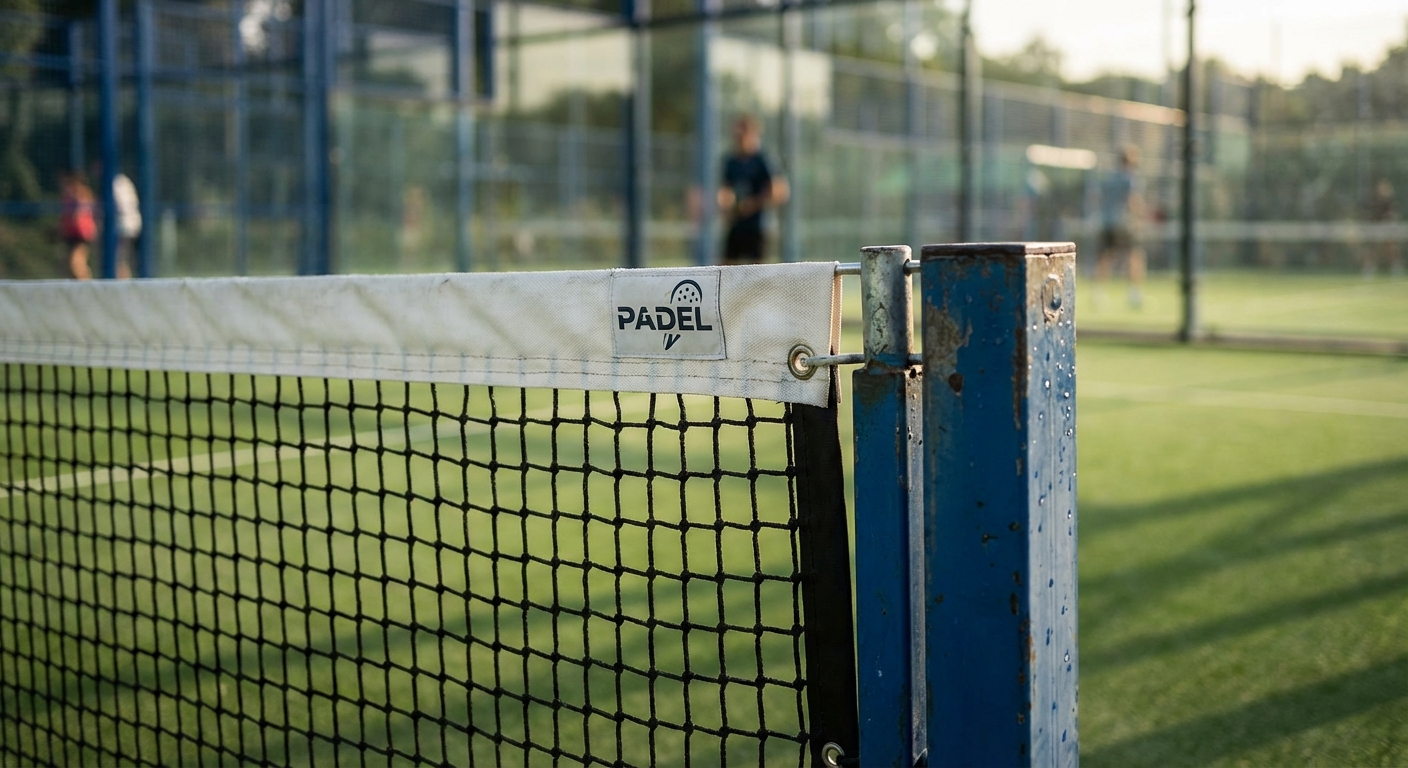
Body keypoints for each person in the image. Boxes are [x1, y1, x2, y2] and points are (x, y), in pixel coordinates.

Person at [718, 115, 789, 265]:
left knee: (757, 274)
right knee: (726, 271)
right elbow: (726, 189)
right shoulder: (731, 161)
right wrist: (726, 205)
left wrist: (753, 204)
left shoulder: (762, 160)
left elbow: (779, 191)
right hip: (737, 225)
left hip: (757, 227)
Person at [1095, 145, 1146, 308]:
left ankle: (1099, 291)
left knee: (1106, 256)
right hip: (1124, 224)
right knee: (1134, 256)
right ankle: (1134, 293)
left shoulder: (1110, 178)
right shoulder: (1130, 178)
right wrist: (1139, 217)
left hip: (1108, 222)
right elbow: (1132, 201)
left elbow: (1099, 199)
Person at [58, 171, 97, 280]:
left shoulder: (83, 194)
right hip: (71, 234)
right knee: (68, 265)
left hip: (82, 234)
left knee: (76, 262)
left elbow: (83, 212)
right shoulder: (67, 195)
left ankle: (88, 286)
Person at [1365, 179, 1402, 278]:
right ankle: (1370, 268)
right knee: (1374, 248)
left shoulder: (1391, 202)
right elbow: (1373, 215)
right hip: (1377, 227)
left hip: (1388, 227)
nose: (1383, 190)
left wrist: (1390, 222)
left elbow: (1393, 215)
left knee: (1390, 247)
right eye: (1381, 188)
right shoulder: (1376, 201)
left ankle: (1395, 268)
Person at [112, 171, 142, 279]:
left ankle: (123, 287)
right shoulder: (121, 181)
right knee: (121, 260)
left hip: (123, 227)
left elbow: (120, 207)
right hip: (128, 225)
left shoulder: (117, 182)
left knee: (119, 260)